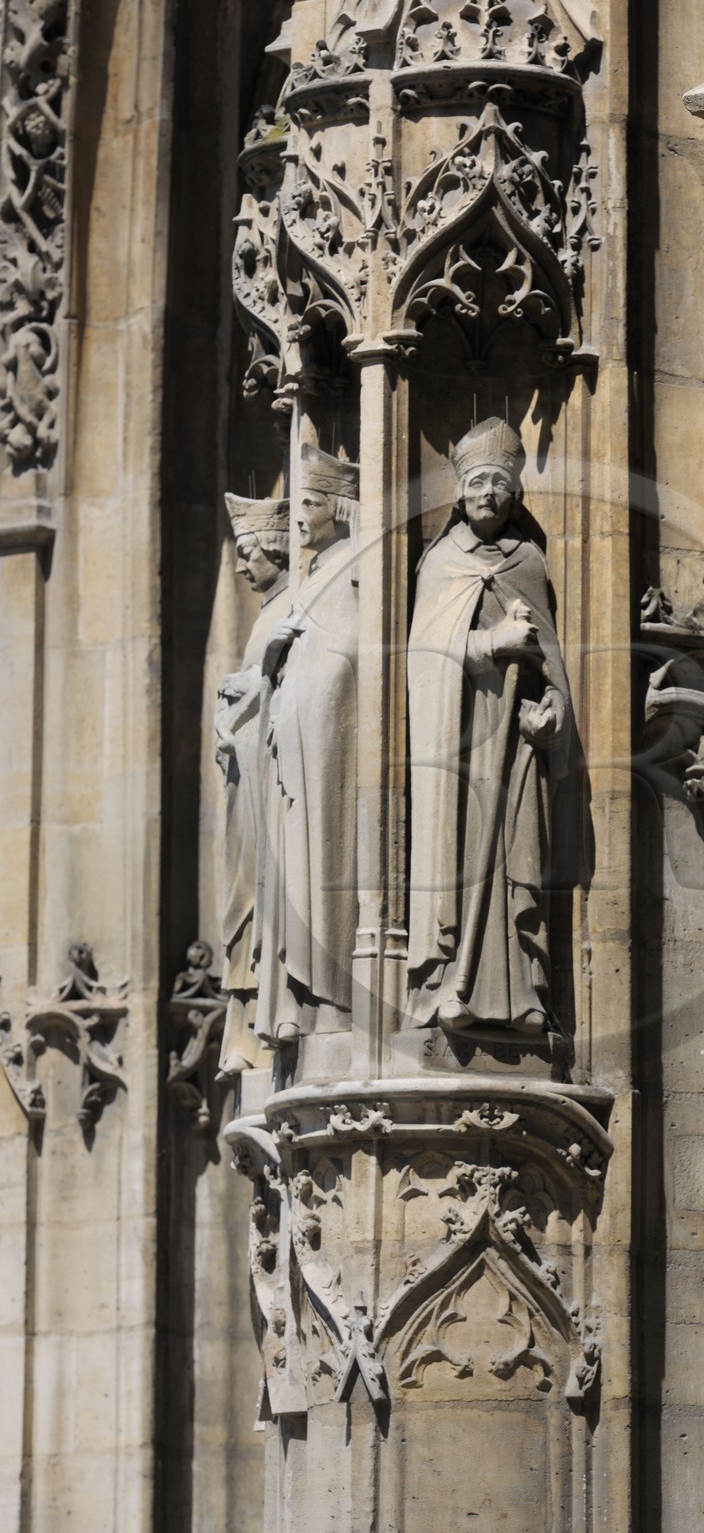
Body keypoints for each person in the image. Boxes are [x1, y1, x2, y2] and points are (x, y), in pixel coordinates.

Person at [406, 417, 572, 1041]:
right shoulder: (440, 563)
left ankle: (525, 990)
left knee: (518, 851)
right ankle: (453, 980)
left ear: (516, 495)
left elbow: (552, 661)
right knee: (461, 853)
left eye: (501, 485)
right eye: (477, 482)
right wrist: (488, 643)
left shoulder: (529, 562)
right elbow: (423, 656)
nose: (489, 495)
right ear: (458, 492)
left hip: (515, 740)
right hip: (459, 739)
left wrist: (551, 710)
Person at [254, 445, 359, 1046]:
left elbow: (362, 651)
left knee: (326, 864)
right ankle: (295, 994)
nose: (298, 515)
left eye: (311, 502)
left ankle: (332, 996)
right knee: (296, 869)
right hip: (291, 747)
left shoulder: (355, 563)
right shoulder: (315, 571)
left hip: (328, 748)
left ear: (341, 508)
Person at [215, 495, 290, 1074]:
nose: (241, 566)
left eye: (248, 552)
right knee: (243, 909)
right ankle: (243, 1030)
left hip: (272, 787)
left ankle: (259, 1027)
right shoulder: (271, 611)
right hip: (247, 782)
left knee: (260, 908)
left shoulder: (292, 607)